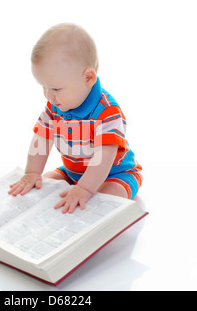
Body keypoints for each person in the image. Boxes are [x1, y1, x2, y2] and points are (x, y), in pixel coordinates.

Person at [8, 23, 143, 214]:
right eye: (43, 87)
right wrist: (32, 173)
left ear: (88, 78)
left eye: (55, 88)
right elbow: (41, 140)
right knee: (43, 187)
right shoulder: (55, 107)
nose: (48, 95)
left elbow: (102, 158)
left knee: (105, 200)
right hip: (72, 173)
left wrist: (86, 189)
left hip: (116, 175)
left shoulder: (107, 111)